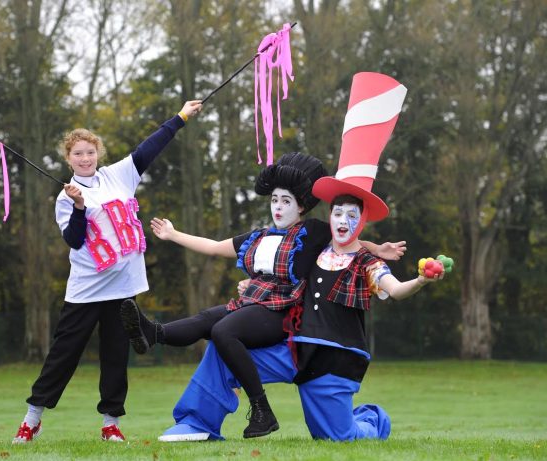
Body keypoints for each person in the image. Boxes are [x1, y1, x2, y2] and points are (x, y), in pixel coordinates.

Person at [154, 72, 443, 442]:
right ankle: (196, 423)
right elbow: (275, 269)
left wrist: (419, 279)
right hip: (292, 349)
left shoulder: (368, 265)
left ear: (362, 222)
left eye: (352, 216)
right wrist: (251, 284)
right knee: (223, 348)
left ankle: (374, 421)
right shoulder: (313, 245)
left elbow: (396, 289)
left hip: (333, 360)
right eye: (338, 213)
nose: (342, 221)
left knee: (337, 438)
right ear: (328, 216)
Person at [120, 152, 405, 439]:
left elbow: (345, 238)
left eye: (286, 201)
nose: (278, 207)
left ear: (302, 206)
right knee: (210, 321)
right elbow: (214, 247)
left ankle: (263, 409)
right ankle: (157, 342)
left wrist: (377, 248)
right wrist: (174, 234)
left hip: (284, 315)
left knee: (224, 331)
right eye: (274, 200)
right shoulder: (257, 237)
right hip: (253, 306)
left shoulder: (313, 232)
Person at [11, 100, 203, 444]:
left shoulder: (119, 175)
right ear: (68, 159)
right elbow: (73, 239)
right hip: (86, 290)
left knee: (116, 357)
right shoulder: (66, 196)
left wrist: (182, 117)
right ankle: (32, 419)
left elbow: (151, 147)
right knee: (63, 356)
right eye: (78, 154)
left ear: (98, 152)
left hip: (122, 288)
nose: (85, 159)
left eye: (90, 152)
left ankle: (110, 424)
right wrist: (80, 207)